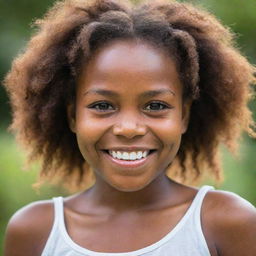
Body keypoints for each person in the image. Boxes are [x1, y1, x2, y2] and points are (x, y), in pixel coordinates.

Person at [3, 0, 256, 255]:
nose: (128, 128)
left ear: (184, 116)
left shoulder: (226, 223)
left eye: (155, 106)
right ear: (72, 117)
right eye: (102, 105)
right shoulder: (35, 232)